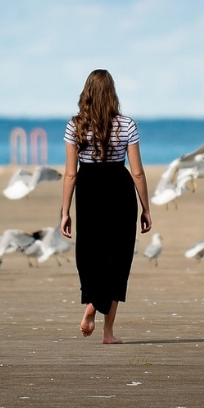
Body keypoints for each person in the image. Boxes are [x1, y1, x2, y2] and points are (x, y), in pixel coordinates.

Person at [60, 69, 152, 344]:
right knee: (119, 259)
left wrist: (64, 212)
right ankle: (107, 332)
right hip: (119, 189)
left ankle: (92, 305)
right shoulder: (127, 125)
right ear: (112, 94)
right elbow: (137, 172)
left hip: (88, 189)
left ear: (86, 94)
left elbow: (70, 173)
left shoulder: (75, 126)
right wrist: (146, 207)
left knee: (90, 255)